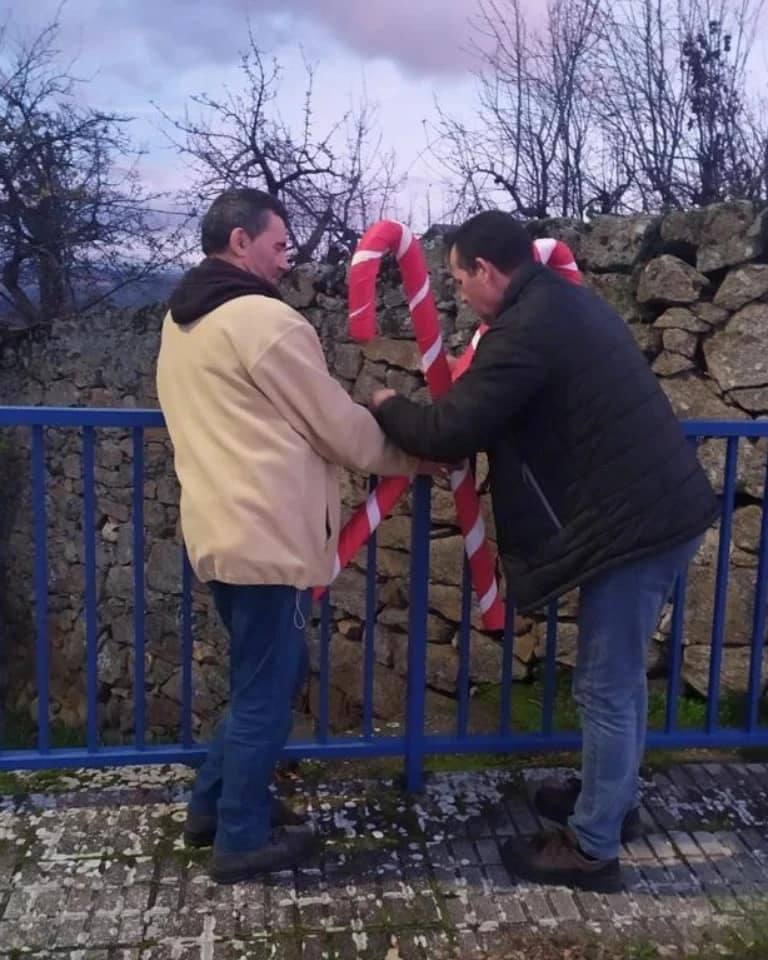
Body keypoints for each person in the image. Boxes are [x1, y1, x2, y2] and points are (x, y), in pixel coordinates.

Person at [371, 210, 719, 893]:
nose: (459, 294)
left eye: (461, 279)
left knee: (606, 687)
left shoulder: (525, 329)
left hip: (635, 528)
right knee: (614, 685)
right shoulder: (560, 304)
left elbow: (450, 428)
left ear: (489, 271)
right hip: (653, 512)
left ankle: (592, 846)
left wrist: (385, 404)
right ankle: (607, 800)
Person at [156, 188, 427, 884]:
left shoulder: (181, 319)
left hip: (220, 530)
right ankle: (240, 840)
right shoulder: (263, 321)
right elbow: (336, 425)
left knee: (271, 675)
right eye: (278, 244)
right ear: (240, 243)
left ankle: (214, 806)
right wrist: (419, 451)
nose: (286, 258)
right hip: (266, 534)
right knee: (266, 691)